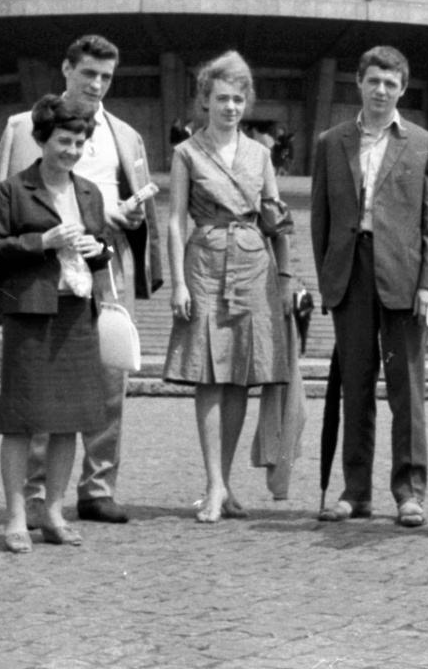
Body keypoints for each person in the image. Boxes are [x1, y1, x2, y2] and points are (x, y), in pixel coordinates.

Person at [0, 34, 163, 527]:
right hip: (38, 270)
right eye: (88, 75)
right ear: (66, 70)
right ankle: (35, 494)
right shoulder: (22, 127)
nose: (97, 85)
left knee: (106, 378)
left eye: (106, 77)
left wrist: (128, 219)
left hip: (103, 261)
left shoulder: (126, 135)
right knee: (41, 384)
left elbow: (138, 204)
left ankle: (98, 487)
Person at [310, 45, 428, 527]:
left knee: (407, 390)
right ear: (359, 82)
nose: (382, 90)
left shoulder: (425, 144)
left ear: (402, 89)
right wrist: (329, 279)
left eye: (391, 83)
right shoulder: (332, 141)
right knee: (355, 386)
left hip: (404, 278)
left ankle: (409, 492)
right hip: (351, 274)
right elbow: (322, 222)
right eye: (374, 81)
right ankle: (356, 491)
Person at [164, 50, 297, 521]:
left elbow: (277, 220)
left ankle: (225, 484)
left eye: (239, 99)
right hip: (203, 263)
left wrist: (285, 279)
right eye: (221, 98)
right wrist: (178, 282)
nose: (230, 107)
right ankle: (213, 483)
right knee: (208, 374)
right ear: (204, 100)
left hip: (253, 264)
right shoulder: (186, 153)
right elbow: (176, 221)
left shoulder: (260, 154)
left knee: (240, 374)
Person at [0, 96, 113, 553]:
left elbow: (103, 246)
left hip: (77, 315)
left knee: (69, 421)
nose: (72, 149)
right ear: (41, 139)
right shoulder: (12, 191)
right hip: (30, 314)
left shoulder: (90, 192)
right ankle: (17, 517)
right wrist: (43, 241)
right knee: (20, 421)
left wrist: (101, 252)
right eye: (64, 140)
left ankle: (53, 511)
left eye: (80, 141)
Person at [292, 279, 314, 356]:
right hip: (296, 315)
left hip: (304, 317)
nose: (298, 286)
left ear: (304, 286)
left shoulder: (308, 295)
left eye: (300, 285)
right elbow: (294, 305)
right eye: (298, 284)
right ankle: (294, 352)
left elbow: (311, 306)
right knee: (295, 333)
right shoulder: (295, 294)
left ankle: (303, 352)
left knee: (303, 334)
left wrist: (305, 312)